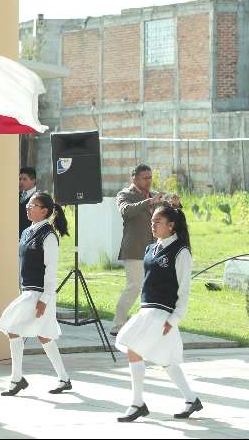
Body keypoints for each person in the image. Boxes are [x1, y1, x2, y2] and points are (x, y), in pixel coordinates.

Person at [115, 205, 203, 422]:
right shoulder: (150, 249)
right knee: (166, 360)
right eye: (152, 221)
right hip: (148, 310)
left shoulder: (181, 251)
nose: (152, 225)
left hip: (162, 314)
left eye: (157, 222)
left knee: (133, 349)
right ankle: (191, 400)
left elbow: (184, 290)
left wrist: (174, 319)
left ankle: (137, 403)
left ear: (171, 226)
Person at [0, 192, 72, 397]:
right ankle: (64, 378)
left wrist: (45, 300)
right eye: (28, 204)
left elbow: (51, 269)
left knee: (13, 328)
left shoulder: (48, 235)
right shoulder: (27, 232)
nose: (28, 207)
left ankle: (16, 379)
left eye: (33, 205)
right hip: (29, 291)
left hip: (39, 294)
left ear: (44, 211)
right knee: (44, 336)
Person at [113, 164, 181, 336]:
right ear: (133, 178)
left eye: (150, 177)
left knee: (152, 288)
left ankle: (148, 324)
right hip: (135, 248)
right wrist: (150, 202)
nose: (149, 181)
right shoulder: (125, 194)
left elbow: (172, 218)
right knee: (134, 286)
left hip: (156, 251)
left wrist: (176, 205)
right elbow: (126, 211)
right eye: (145, 178)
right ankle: (118, 324)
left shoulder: (155, 195)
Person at [19, 167, 38, 239]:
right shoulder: (17, 195)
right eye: (20, 179)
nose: (21, 182)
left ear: (33, 180)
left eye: (25, 179)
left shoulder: (38, 196)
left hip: (30, 238)